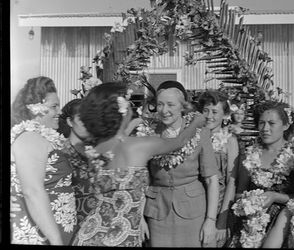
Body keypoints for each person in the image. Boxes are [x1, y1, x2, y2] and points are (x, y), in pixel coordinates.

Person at [70, 82, 206, 247]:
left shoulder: (92, 150)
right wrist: (195, 123)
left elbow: (117, 139)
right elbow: (179, 141)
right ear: (123, 111)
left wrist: (133, 124)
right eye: (129, 105)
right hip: (121, 238)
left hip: (89, 235)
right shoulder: (139, 146)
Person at [142, 81, 220, 247]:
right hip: (157, 214)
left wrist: (211, 220)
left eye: (171, 104)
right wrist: (140, 218)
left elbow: (212, 180)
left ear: (182, 107)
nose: (164, 110)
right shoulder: (148, 133)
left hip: (193, 213)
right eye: (160, 104)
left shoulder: (200, 132)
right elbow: (142, 179)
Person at [10, 76, 77, 245]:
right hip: (41, 235)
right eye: (54, 106)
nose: (60, 111)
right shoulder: (30, 138)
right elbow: (32, 191)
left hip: (54, 228)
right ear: (35, 109)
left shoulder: (41, 137)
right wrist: (56, 240)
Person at [232, 100, 294, 247]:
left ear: (286, 125)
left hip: (285, 226)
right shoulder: (249, 155)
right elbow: (239, 193)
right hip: (250, 226)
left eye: (271, 123)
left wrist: (275, 196)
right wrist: (248, 201)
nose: (265, 128)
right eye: (261, 123)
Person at [198, 90, 239, 247]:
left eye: (215, 112)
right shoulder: (195, 136)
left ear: (225, 115)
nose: (209, 116)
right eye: (206, 111)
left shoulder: (230, 140)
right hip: (196, 204)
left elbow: (231, 181)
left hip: (218, 208)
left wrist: (222, 219)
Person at [57, 99, 98, 229]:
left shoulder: (98, 149)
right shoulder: (60, 153)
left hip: (101, 221)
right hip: (75, 224)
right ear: (70, 121)